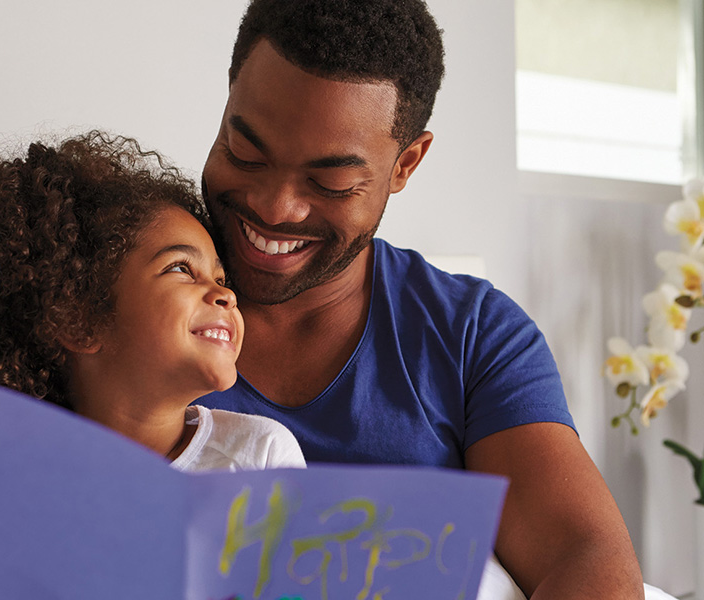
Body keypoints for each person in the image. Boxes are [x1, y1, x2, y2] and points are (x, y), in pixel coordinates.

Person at [193, 0, 645, 598]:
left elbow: (583, 554)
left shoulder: (471, 335)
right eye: (246, 152)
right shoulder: (112, 283)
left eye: (329, 183)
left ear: (405, 163)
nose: (276, 207)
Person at [0, 131, 305, 598]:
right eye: (181, 268)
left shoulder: (257, 457)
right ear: (78, 318)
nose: (225, 293)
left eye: (221, 277)